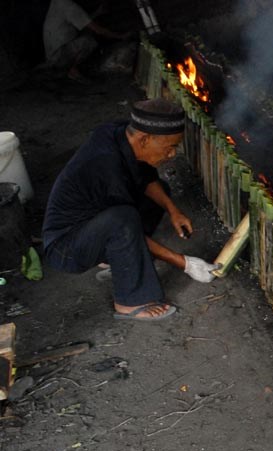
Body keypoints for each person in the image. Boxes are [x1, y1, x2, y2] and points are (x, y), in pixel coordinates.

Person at [43, 98, 220, 321]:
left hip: (92, 225)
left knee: (159, 192)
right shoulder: (106, 166)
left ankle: (115, 259)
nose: (172, 154)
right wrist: (184, 263)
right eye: (170, 147)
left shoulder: (121, 134)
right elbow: (126, 225)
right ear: (145, 139)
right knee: (123, 219)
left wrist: (173, 210)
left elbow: (144, 176)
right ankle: (129, 303)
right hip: (65, 247)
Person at [43, 0, 129, 82]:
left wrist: (98, 12)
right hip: (58, 56)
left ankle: (65, 68)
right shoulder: (68, 6)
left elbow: (81, 20)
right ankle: (72, 71)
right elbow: (97, 30)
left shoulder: (57, 2)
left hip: (53, 55)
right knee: (88, 41)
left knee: (85, 32)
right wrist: (120, 36)